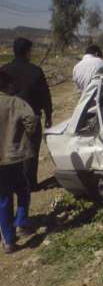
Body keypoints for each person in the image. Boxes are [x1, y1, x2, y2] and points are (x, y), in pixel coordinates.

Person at [0, 38, 52, 190]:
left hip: (8, 118)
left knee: (9, 148)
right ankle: (30, 184)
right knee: (31, 151)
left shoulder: (4, 70)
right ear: (27, 52)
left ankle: (11, 184)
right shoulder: (36, 71)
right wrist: (48, 115)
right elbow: (45, 95)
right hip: (32, 117)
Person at [0, 71, 37, 254]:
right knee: (23, 189)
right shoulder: (15, 102)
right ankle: (21, 221)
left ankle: (8, 241)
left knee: (3, 199)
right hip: (14, 156)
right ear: (8, 85)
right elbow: (31, 119)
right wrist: (26, 134)